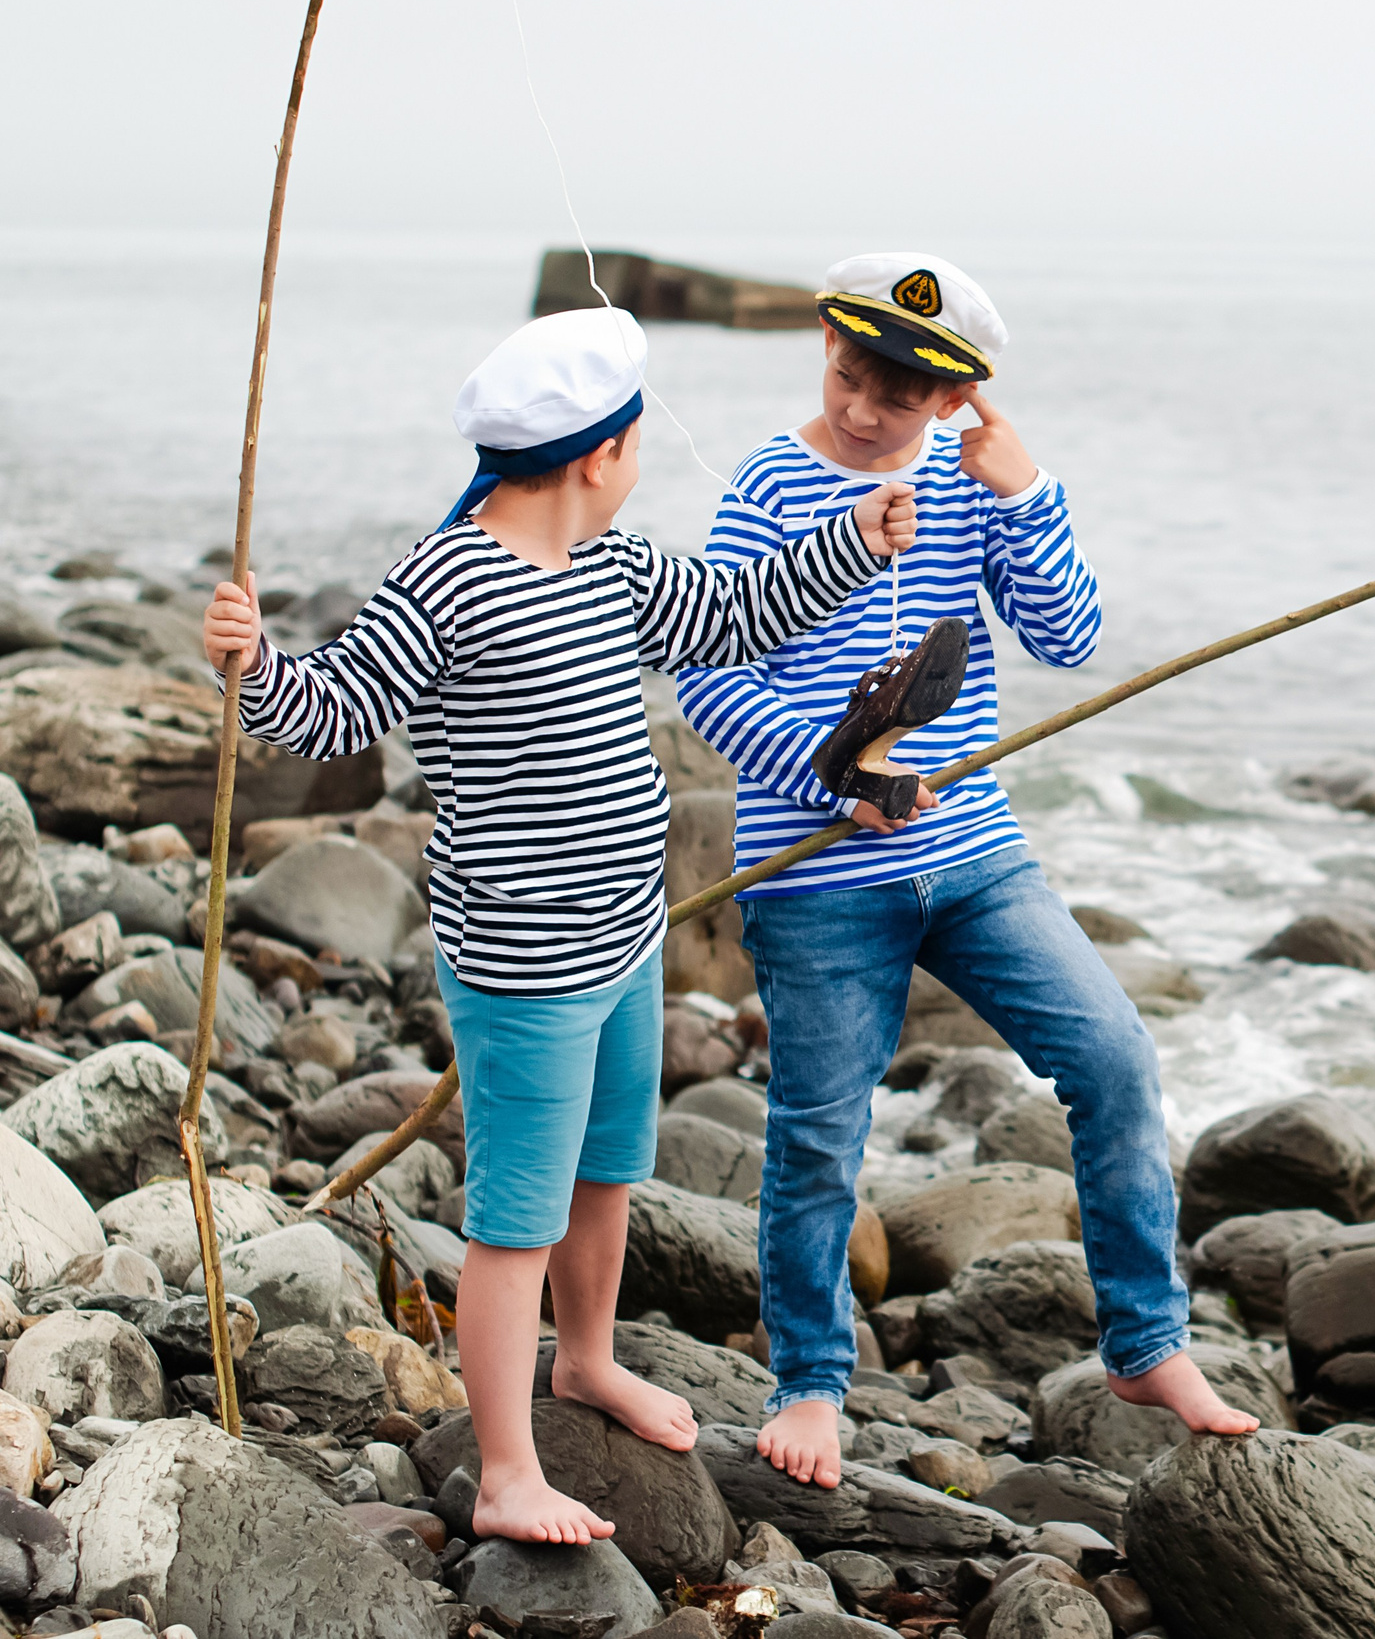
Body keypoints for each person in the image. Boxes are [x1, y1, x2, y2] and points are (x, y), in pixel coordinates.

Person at [199, 307, 916, 1544]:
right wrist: (256, 661)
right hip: (522, 967)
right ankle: (503, 1471)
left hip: (625, 940)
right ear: (601, 454)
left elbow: (736, 612)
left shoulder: (621, 568)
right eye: (637, 440)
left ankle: (586, 1359)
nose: (639, 459)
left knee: (607, 1175)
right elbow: (330, 711)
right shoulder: (447, 578)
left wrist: (850, 542)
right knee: (513, 1222)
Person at [677, 251, 1258, 1489]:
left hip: (976, 853)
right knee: (821, 1137)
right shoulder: (773, 481)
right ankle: (811, 1383)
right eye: (846, 374)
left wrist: (1031, 493)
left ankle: (1145, 1342)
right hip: (814, 868)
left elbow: (1070, 636)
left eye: (896, 396)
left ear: (953, 401)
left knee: (1114, 1057)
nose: (860, 409)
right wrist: (836, 771)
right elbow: (714, 676)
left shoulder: (973, 478)